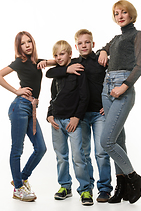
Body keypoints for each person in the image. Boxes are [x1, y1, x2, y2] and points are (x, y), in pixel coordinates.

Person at [46, 29, 113, 202]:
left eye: (87, 42)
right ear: (76, 46)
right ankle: (87, 188)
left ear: (93, 44)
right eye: (80, 43)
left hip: (99, 113)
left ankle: (104, 188)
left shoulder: (100, 60)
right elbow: (53, 72)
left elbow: (113, 79)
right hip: (80, 115)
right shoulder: (73, 63)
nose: (84, 46)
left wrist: (109, 103)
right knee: (83, 153)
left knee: (101, 152)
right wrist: (63, 66)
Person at [97, 0, 141, 204]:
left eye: (124, 12)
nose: (120, 16)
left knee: (106, 141)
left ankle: (134, 179)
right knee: (117, 140)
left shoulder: (138, 35)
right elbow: (106, 47)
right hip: (106, 87)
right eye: (116, 13)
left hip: (122, 88)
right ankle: (122, 186)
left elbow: (140, 65)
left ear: (131, 14)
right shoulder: (117, 37)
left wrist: (124, 86)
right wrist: (102, 50)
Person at [0, 31, 51, 202]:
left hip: (32, 108)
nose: (27, 45)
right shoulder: (20, 62)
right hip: (20, 106)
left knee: (41, 148)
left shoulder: (39, 63)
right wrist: (16, 90)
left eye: (29, 42)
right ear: (19, 47)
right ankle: (18, 189)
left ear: (33, 43)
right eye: (23, 43)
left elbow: (58, 61)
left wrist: (48, 62)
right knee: (17, 149)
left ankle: (20, 179)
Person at [46, 40, 93, 206]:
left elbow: (84, 97)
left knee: (79, 156)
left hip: (72, 121)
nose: (59, 57)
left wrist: (77, 117)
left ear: (70, 54)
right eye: (56, 55)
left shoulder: (78, 70)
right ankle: (65, 186)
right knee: (61, 157)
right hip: (56, 121)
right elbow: (53, 97)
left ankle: (85, 189)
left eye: (62, 54)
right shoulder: (57, 73)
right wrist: (49, 115)